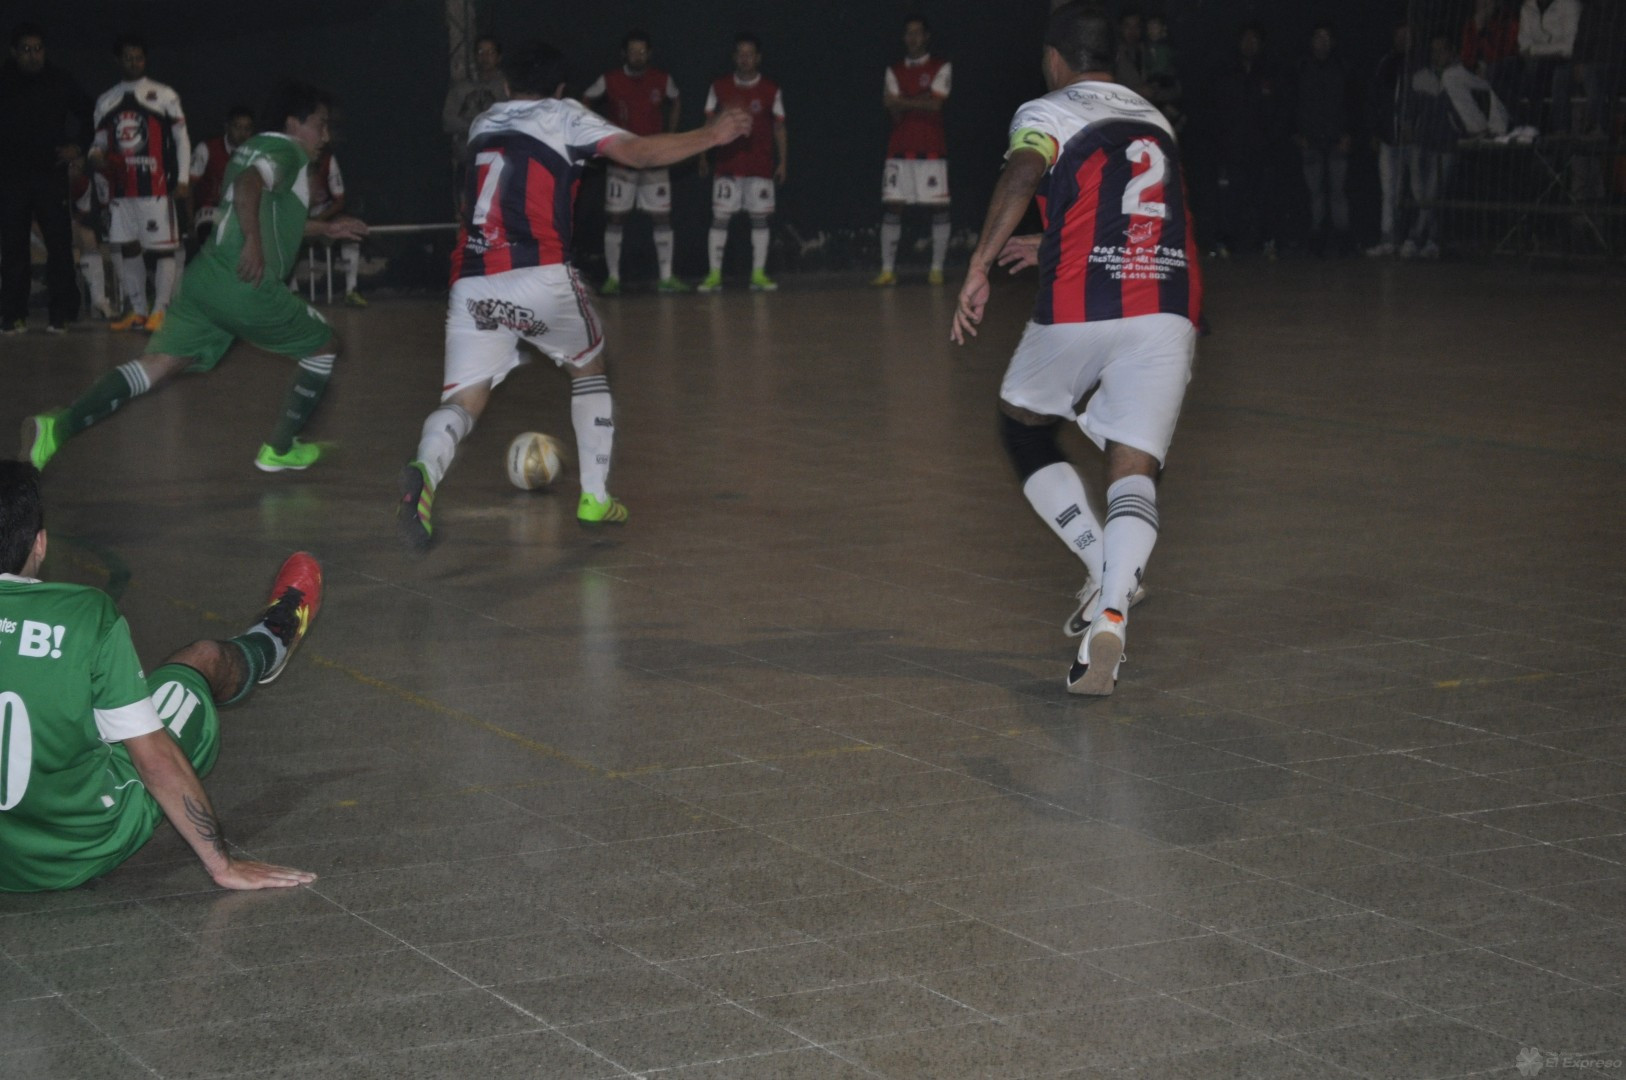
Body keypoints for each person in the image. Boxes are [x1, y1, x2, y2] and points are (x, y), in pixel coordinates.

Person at [395, 43, 750, 546]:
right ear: (561, 88)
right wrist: (712, 135)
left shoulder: (483, 123)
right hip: (538, 272)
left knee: (463, 400)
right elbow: (639, 154)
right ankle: (595, 497)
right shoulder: (564, 116)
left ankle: (424, 472)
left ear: (505, 85)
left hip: (473, 279)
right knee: (589, 366)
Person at [951, 3, 1199, 696]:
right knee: (1134, 467)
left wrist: (981, 261)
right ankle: (1111, 609)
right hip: (1169, 301)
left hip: (1086, 299)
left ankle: (1096, 560)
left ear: (1056, 58)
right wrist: (1054, 238)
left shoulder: (1049, 108)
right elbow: (1136, 206)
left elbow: (1023, 172)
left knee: (1024, 427)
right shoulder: (1154, 118)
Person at [0, 461, 322, 892]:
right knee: (200, 660)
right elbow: (153, 758)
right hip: (80, 848)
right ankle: (271, 639)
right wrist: (222, 865)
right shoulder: (83, 613)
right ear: (40, 543)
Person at [21, 81, 370, 476]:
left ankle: (58, 428)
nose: (325, 136)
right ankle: (280, 448)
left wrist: (324, 228)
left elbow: (263, 209)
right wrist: (253, 244)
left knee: (155, 365)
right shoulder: (287, 151)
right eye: (320, 125)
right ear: (293, 124)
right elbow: (249, 185)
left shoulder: (253, 146)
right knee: (324, 344)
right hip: (245, 283)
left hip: (205, 281)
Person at [90, 35, 190, 333]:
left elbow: (181, 139)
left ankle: (160, 311)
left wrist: (183, 179)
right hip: (121, 190)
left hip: (155, 187)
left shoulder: (164, 94)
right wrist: (95, 157)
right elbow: (99, 143)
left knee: (163, 249)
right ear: (118, 60)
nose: (133, 62)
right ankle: (138, 311)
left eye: (138, 57)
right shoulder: (106, 100)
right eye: (128, 57)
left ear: (145, 59)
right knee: (128, 247)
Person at [0, 23, 93, 335]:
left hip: (49, 175)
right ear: (14, 52)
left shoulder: (59, 79)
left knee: (59, 245)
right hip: (11, 177)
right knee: (13, 248)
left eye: (37, 49)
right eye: (26, 50)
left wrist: (78, 147)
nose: (33, 55)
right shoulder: (4, 80)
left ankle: (61, 312)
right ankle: (13, 314)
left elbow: (90, 113)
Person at [584, 30, 684, 294]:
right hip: (622, 159)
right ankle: (613, 278)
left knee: (662, 216)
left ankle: (666, 277)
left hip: (654, 159)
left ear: (649, 53)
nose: (637, 56)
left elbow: (676, 100)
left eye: (641, 51)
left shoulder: (662, 79)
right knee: (616, 217)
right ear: (624, 54)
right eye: (632, 51)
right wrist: (596, 133)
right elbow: (586, 99)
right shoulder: (610, 79)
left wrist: (670, 136)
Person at [1405, 34, 1510, 258]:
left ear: (1451, 51)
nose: (1437, 55)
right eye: (1433, 51)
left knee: (1433, 192)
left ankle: (1419, 237)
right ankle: (1429, 238)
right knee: (1420, 193)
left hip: (1445, 142)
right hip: (1421, 140)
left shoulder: (1459, 75)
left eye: (1441, 50)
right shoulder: (1421, 76)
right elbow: (1413, 109)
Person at [698, 33, 786, 293]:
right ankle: (714, 275)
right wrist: (702, 155)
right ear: (734, 57)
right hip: (727, 165)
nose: (745, 59)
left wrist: (783, 162)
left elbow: (780, 128)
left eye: (750, 54)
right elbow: (708, 123)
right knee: (720, 218)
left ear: (758, 58)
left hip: (760, 166)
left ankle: (758, 274)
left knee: (760, 219)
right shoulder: (719, 87)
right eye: (741, 54)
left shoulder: (771, 89)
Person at [872, 14, 952, 288]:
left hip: (931, 148)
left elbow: (936, 105)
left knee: (939, 207)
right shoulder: (893, 70)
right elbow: (893, 111)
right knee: (893, 206)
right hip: (899, 149)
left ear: (926, 36)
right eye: (909, 33)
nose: (913, 38)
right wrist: (921, 99)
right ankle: (887, 271)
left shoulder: (941, 66)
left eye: (918, 33)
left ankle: (936, 270)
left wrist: (903, 101)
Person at [1209, 24, 1286, 259]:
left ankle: (1267, 241)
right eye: (1245, 39)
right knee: (1230, 197)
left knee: (1264, 197)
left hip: (1262, 148)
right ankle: (1226, 242)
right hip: (1232, 148)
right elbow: (1216, 109)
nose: (1249, 44)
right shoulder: (1226, 72)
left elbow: (1279, 110)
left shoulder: (1270, 73)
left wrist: (1271, 139)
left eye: (1254, 40)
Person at [1294, 23, 1356, 255]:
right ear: (1311, 42)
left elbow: (1352, 103)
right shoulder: (1301, 67)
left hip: (1337, 139)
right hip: (1310, 140)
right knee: (1315, 193)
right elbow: (1293, 102)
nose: (1322, 42)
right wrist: (1297, 134)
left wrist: (1348, 133)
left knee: (1338, 192)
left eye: (1326, 38)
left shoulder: (1343, 67)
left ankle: (1342, 238)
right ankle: (1316, 238)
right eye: (1318, 37)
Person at [1367, 22, 1416, 258]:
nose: (1402, 40)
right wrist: (1376, 132)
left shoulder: (1419, 65)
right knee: (1389, 191)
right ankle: (1388, 238)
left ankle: (1412, 238)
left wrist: (1413, 125)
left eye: (1407, 35)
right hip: (1388, 138)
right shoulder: (1385, 64)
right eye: (1399, 35)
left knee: (1413, 190)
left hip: (1412, 141)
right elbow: (1376, 101)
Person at [442, 35, 506, 208]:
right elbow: (448, 121)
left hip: (501, 161)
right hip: (468, 160)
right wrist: (476, 126)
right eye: (481, 52)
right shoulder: (461, 88)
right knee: (466, 209)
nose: (485, 57)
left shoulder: (507, 88)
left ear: (498, 57)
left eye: (490, 52)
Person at [189, 105, 255, 252]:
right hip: (210, 211)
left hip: (240, 213)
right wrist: (190, 223)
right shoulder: (207, 149)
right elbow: (189, 187)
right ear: (227, 127)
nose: (243, 133)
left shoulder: (255, 153)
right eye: (238, 127)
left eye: (247, 128)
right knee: (217, 236)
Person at [306, 147, 365, 306]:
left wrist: (319, 221)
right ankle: (292, 291)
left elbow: (339, 201)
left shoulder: (328, 160)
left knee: (351, 230)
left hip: (324, 215)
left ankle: (351, 290)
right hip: (298, 216)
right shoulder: (291, 159)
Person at [1514, 0, 1580, 135]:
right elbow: (1524, 44)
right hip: (1540, 59)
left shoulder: (1569, 4)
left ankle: (1560, 130)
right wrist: (1543, 51)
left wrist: (1535, 50)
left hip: (1566, 59)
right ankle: (1533, 127)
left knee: (1560, 76)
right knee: (1527, 69)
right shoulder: (1528, 6)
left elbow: (1569, 46)